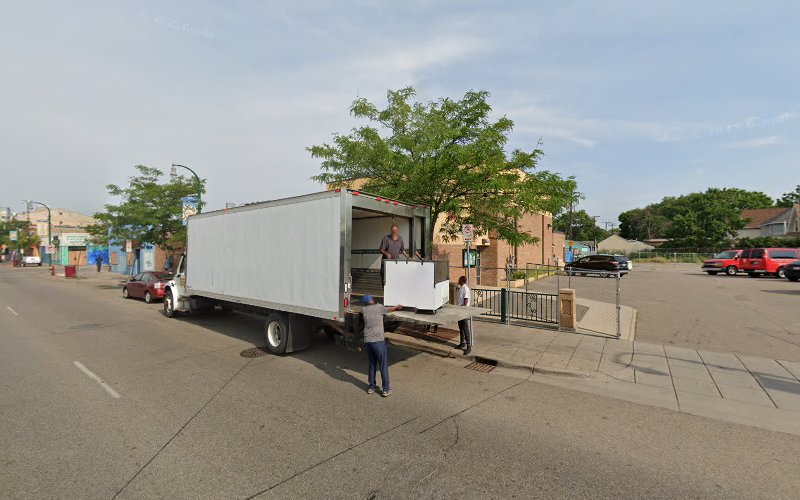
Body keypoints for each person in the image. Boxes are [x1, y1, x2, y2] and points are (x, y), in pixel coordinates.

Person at [361, 295, 403, 397]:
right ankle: (386, 389)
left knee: (372, 364)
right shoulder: (379, 307)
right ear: (371, 300)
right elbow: (390, 309)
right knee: (383, 365)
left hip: (368, 341)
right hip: (378, 341)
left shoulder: (363, 310)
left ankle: (371, 387)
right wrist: (397, 307)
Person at [456, 276, 472, 354]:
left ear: (462, 280)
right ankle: (462, 343)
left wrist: (463, 310)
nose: (458, 281)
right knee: (461, 328)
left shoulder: (466, 288)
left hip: (463, 310)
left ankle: (468, 346)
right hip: (459, 310)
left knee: (465, 328)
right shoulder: (461, 288)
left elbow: (466, 299)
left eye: (459, 280)